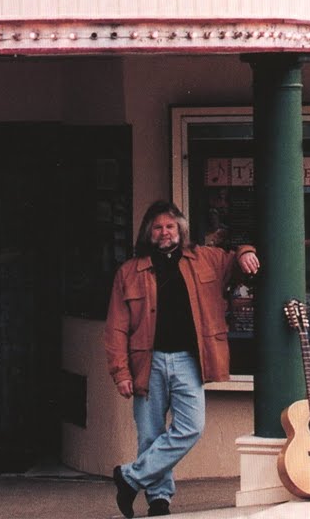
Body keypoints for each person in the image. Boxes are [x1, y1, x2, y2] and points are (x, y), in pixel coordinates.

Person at [104, 200, 260, 517]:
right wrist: (121, 372)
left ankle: (130, 477)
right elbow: (116, 328)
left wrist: (246, 252)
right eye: (158, 227)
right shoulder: (129, 272)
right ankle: (159, 500)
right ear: (148, 232)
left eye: (170, 226)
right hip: (147, 363)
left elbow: (235, 259)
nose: (165, 232)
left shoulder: (206, 259)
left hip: (189, 360)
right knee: (150, 435)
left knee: (191, 426)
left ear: (180, 229)